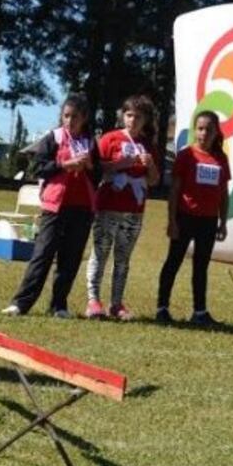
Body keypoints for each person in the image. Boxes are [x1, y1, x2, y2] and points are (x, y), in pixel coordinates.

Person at [2, 94, 99, 318]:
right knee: (42, 254)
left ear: (84, 118)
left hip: (83, 207)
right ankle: (21, 303)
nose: (69, 121)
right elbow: (37, 168)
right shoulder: (53, 138)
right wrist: (65, 164)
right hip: (55, 205)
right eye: (66, 116)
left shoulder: (91, 142)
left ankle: (59, 305)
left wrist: (90, 166)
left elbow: (98, 176)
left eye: (75, 116)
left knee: (71, 258)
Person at [85, 95, 160, 320]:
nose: (133, 121)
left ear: (145, 119)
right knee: (100, 253)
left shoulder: (149, 146)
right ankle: (93, 301)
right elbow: (95, 169)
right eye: (129, 115)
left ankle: (116, 304)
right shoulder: (109, 139)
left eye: (138, 117)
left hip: (134, 210)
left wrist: (151, 165)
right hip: (108, 206)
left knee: (123, 258)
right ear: (122, 115)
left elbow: (154, 181)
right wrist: (121, 165)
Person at [156, 110, 230, 326]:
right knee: (173, 262)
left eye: (209, 129)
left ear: (217, 132)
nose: (204, 133)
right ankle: (162, 308)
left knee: (201, 266)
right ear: (194, 130)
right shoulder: (186, 155)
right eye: (200, 128)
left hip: (208, 221)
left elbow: (223, 193)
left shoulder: (221, 158)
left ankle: (199, 312)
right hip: (185, 217)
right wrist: (172, 220)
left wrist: (223, 222)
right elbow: (175, 190)